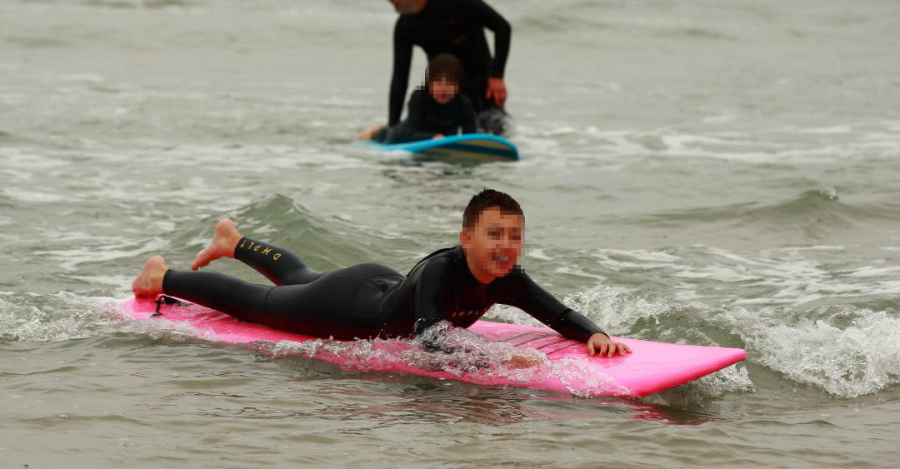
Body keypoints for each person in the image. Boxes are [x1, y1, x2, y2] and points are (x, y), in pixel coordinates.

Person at [132, 189, 631, 361]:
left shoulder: (508, 276)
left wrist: (595, 334)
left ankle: (232, 241)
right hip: (348, 309)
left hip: (375, 283)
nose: (506, 246)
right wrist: (496, 360)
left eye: (515, 236)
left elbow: (555, 312)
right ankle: (163, 276)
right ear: (466, 238)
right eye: (495, 235)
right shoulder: (442, 270)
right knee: (256, 305)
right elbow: (428, 338)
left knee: (301, 273)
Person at [385, 0, 511, 135]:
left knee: (494, 131)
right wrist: (392, 126)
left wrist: (497, 75)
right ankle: (382, 133)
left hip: (482, 87)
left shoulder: (454, 0)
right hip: (445, 93)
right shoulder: (405, 26)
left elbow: (502, 27)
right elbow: (400, 78)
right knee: (437, 139)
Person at [357, 53, 477, 144]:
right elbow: (410, 133)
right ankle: (375, 131)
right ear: (429, 84)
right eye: (438, 83)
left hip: (441, 138)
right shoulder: (419, 97)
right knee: (385, 134)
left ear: (458, 86)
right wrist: (431, 137)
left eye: (450, 83)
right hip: (403, 136)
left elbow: (470, 135)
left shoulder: (463, 103)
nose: (443, 89)